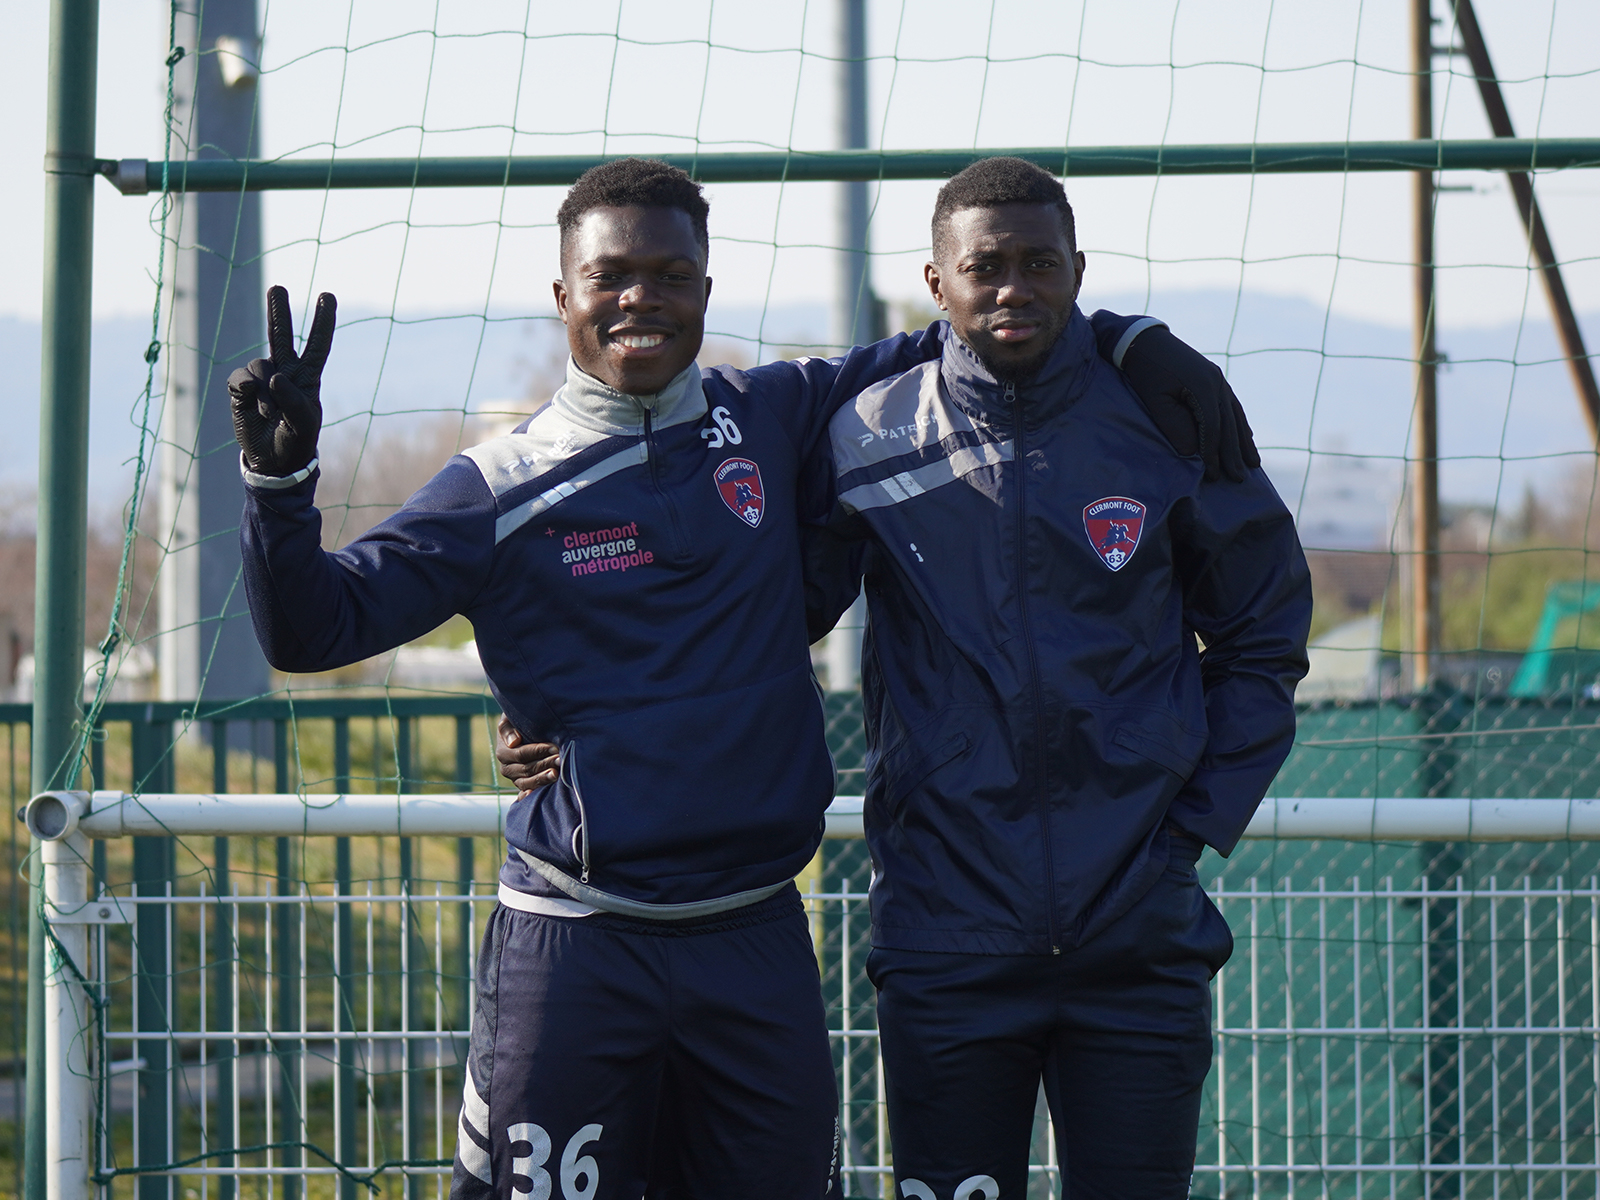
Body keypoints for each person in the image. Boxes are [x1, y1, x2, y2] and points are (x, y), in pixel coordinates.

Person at [229, 157, 1257, 1200]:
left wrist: (1131, 340)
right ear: (564, 296)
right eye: (612, 276)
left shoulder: (774, 415)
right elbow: (314, 629)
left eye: (670, 275)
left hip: (756, 938)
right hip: (579, 942)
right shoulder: (502, 485)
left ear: (706, 292)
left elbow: (981, 320)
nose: (641, 298)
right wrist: (279, 487)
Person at [821, 158, 1310, 1199]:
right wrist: (569, 709)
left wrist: (1186, 828)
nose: (1013, 289)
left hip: (1137, 939)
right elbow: (745, 613)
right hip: (946, 942)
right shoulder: (867, 438)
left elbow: (1263, 637)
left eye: (1039, 263)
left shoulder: (1168, 419)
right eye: (984, 267)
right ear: (936, 281)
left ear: (1078, 269)